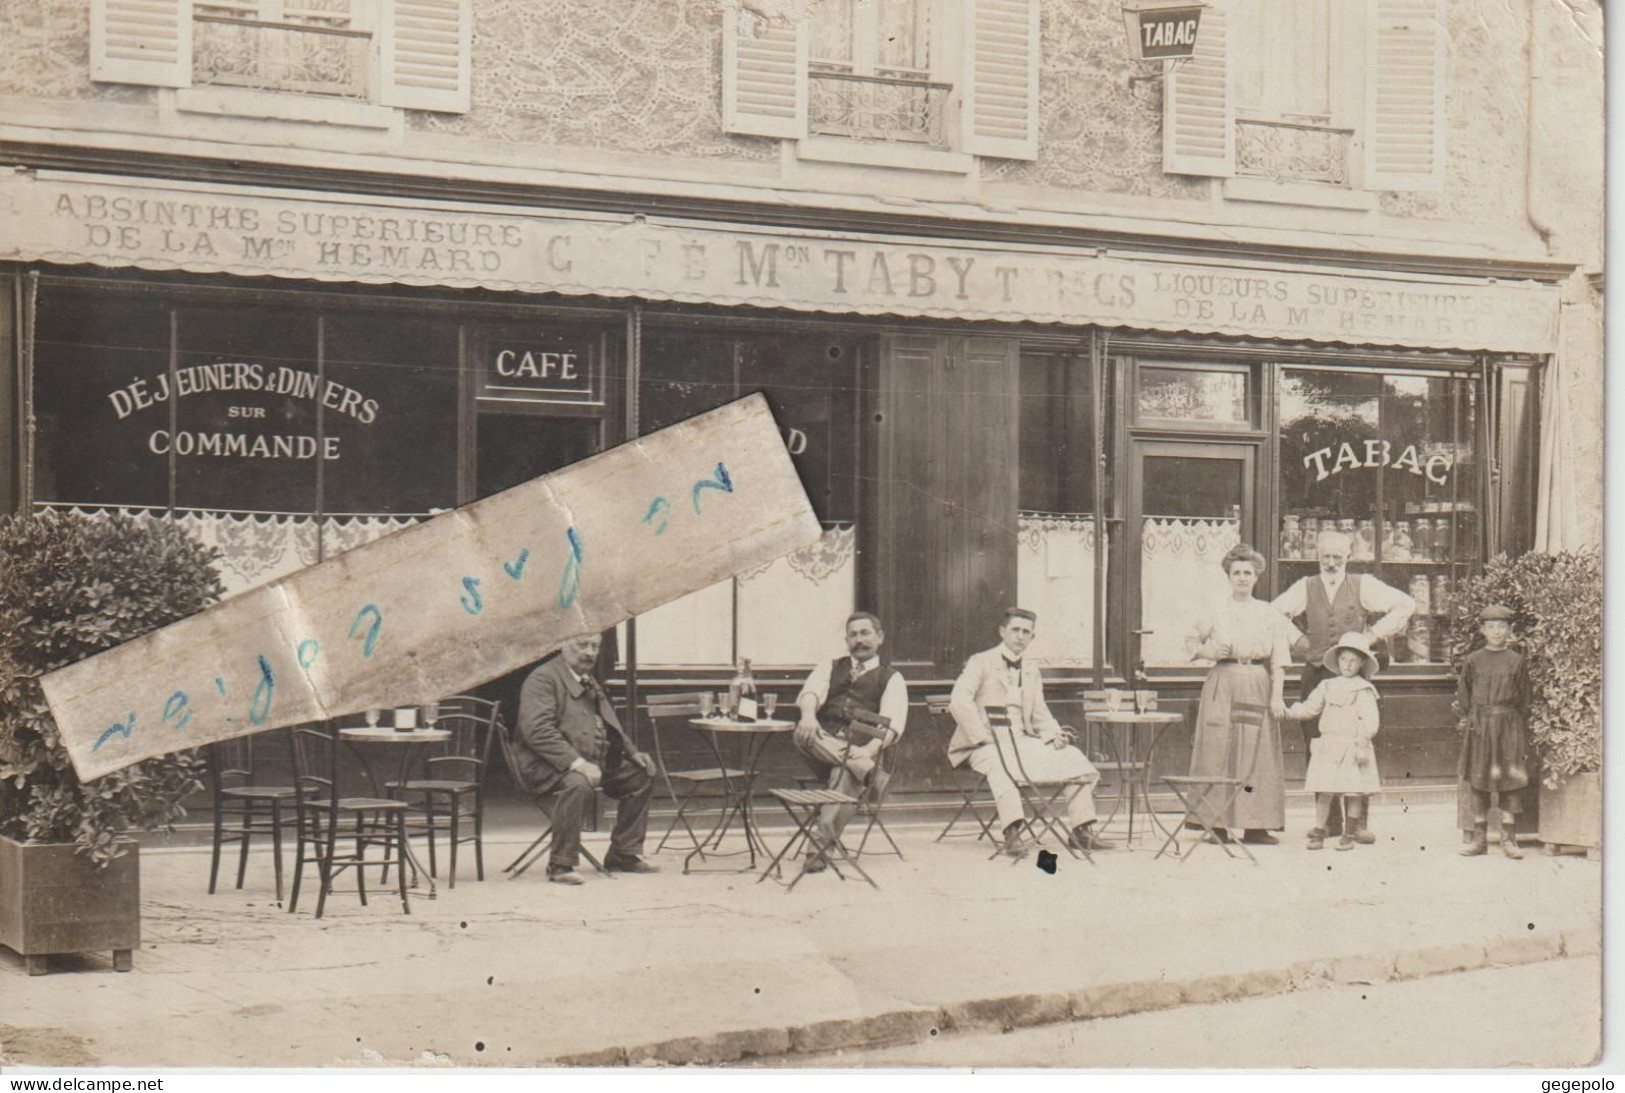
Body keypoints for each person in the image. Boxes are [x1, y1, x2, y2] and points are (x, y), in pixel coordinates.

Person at [1271, 529, 1414, 838]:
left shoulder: (1363, 585)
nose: (1332, 563)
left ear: (1348, 556)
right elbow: (1273, 613)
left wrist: (1371, 636)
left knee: (1360, 743)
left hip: (1355, 676)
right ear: (1318, 557)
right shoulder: (1305, 586)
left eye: (1338, 557)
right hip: (1316, 673)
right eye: (1326, 557)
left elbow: (1406, 605)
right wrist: (1298, 639)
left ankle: (1359, 824)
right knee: (1318, 744)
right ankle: (1329, 823)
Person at [948, 607, 1110, 857]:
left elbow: (1039, 712)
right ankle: (1012, 832)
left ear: (1032, 637)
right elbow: (959, 701)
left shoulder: (1031, 669)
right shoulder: (981, 661)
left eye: (1026, 632)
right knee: (1003, 765)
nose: (1020, 636)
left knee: (1072, 756)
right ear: (1003, 632)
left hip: (1022, 741)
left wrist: (1054, 734)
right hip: (982, 745)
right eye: (1015, 630)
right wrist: (981, 736)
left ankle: (1081, 830)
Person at [511, 633, 659, 885]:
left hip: (590, 760)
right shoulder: (543, 679)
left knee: (641, 775)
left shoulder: (586, 679)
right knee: (577, 784)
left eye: (595, 646)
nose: (589, 652)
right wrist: (577, 764)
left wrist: (632, 752)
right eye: (582, 645)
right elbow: (537, 731)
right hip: (544, 766)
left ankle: (623, 853)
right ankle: (561, 865)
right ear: (562, 645)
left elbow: (611, 724)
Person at [1185, 544, 1299, 844]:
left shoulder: (1268, 612)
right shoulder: (1217, 609)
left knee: (1258, 751)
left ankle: (1257, 825)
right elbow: (1189, 642)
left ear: (1256, 576)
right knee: (1217, 748)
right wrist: (1209, 650)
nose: (1243, 578)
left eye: (1248, 573)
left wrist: (1277, 697)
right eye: (1237, 573)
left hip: (1258, 682)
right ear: (1228, 576)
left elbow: (1279, 660)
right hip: (1222, 681)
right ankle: (1217, 824)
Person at [793, 612, 910, 871]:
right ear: (846, 640)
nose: (859, 640)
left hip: (863, 749)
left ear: (879, 638)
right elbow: (810, 692)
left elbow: (891, 727)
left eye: (865, 633)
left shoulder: (892, 678)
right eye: (853, 635)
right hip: (820, 748)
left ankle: (818, 848)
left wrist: (867, 751)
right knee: (803, 731)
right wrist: (809, 716)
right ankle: (868, 772)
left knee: (846, 770)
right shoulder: (830, 666)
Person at [1281, 632, 1382, 851]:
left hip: (1353, 745)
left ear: (1362, 663)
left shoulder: (1364, 690)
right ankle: (1319, 830)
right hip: (1329, 745)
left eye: (1354, 661)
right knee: (1325, 789)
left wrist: (1362, 742)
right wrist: (1288, 712)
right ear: (1337, 661)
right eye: (1344, 659)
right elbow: (1310, 708)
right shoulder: (1327, 686)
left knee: (1355, 791)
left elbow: (1371, 721)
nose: (1348, 665)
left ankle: (1349, 833)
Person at [1455, 605, 1531, 859]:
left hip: (1509, 727)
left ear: (1510, 630)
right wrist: (1478, 718)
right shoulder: (1473, 660)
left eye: (1502, 627)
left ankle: (1508, 840)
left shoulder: (1517, 661)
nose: (1496, 632)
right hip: (1481, 727)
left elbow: (1524, 699)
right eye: (1491, 627)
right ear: (1482, 630)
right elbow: (1464, 695)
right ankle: (1480, 839)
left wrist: (1509, 720)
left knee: (1510, 783)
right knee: (1479, 782)